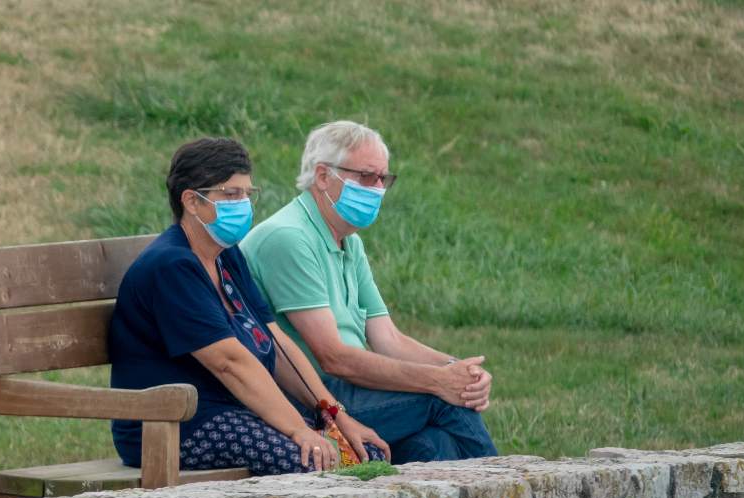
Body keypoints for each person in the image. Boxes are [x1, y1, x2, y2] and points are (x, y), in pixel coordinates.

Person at [108, 137, 388, 475]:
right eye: (230, 194)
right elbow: (230, 363)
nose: (243, 204)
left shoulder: (227, 256)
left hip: (233, 411)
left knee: (365, 452)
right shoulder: (172, 267)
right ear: (192, 202)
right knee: (310, 460)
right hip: (176, 424)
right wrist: (298, 430)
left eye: (246, 193)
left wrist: (334, 416)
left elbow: (277, 343)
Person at [240, 121, 498, 463]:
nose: (377, 188)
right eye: (366, 176)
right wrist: (438, 382)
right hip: (307, 396)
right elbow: (333, 358)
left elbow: (388, 338)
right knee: (439, 400)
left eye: (383, 178)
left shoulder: (349, 241)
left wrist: (459, 370)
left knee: (433, 443)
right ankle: (518, 496)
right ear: (322, 176)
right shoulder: (288, 238)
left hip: (347, 389)